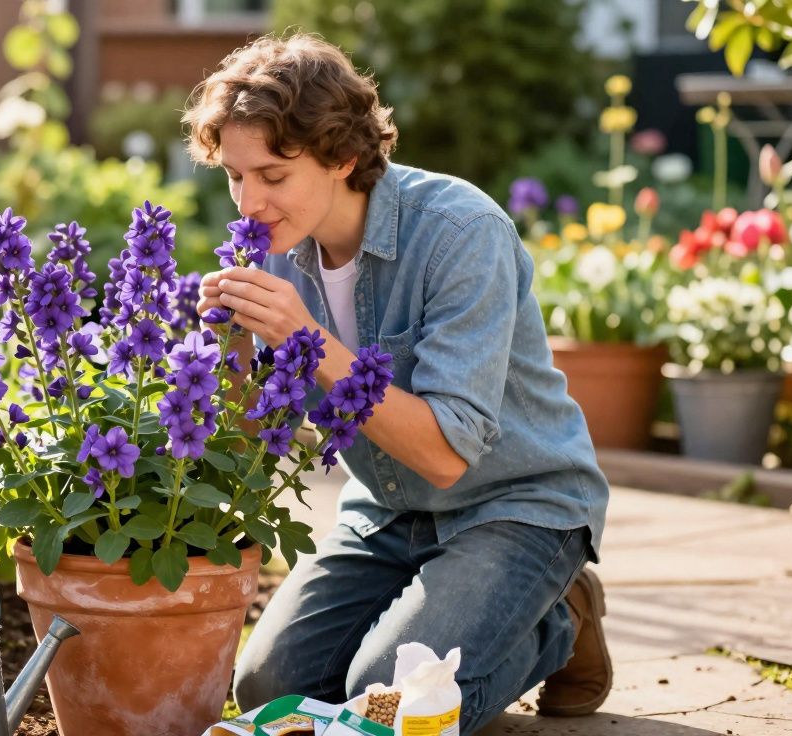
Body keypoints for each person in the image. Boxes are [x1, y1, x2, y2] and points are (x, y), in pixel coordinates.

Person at [184, 33, 612, 734]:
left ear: (343, 157)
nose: (249, 202)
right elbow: (254, 441)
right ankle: (504, 617)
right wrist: (227, 354)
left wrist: (305, 339)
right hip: (385, 506)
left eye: (273, 174)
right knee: (270, 686)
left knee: (386, 698)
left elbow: (447, 454)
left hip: (517, 502)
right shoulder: (282, 252)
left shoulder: (460, 232)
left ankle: (555, 618)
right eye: (235, 175)